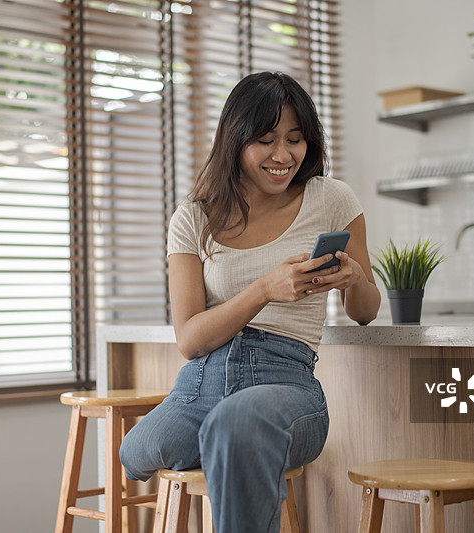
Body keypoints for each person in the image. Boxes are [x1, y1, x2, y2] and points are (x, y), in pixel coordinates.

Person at [119, 71, 381, 532]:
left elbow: (365, 312)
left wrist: (355, 277)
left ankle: (234, 437)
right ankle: (229, 438)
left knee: (238, 424)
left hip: (287, 381)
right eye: (266, 140)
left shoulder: (332, 199)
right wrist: (265, 288)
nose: (283, 155)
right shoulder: (192, 219)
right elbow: (190, 339)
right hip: (201, 382)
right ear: (235, 142)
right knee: (139, 449)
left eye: (295, 140)